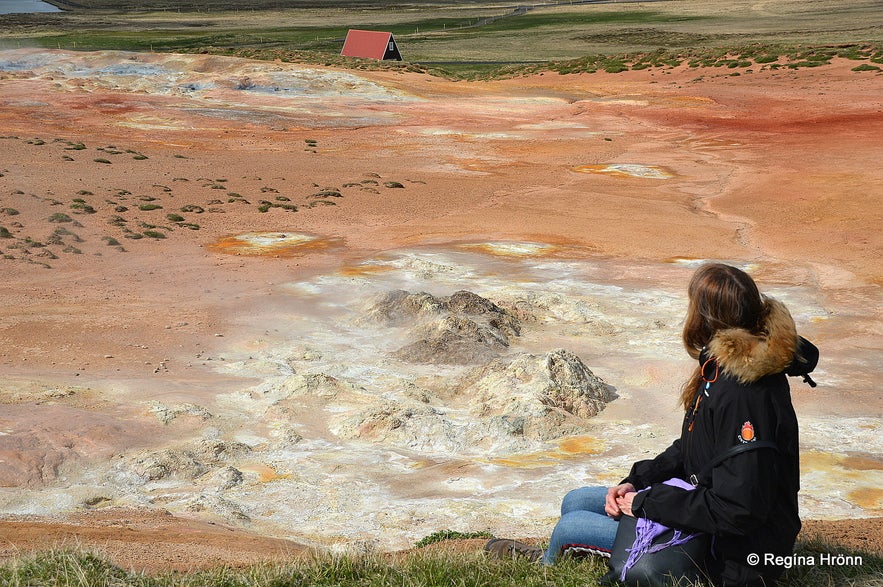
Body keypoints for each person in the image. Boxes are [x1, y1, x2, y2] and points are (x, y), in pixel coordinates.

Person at [485, 262, 818, 586]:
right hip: (711, 518)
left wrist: (647, 504)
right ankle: (582, 551)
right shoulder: (725, 370)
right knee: (578, 500)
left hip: (737, 555)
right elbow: (695, 450)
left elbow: (740, 509)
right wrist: (637, 481)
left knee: (569, 527)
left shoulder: (743, 393)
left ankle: (548, 563)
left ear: (705, 318)